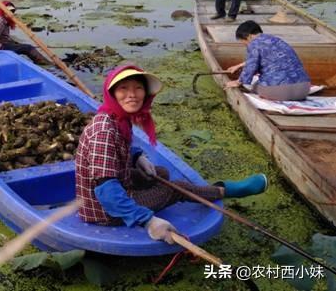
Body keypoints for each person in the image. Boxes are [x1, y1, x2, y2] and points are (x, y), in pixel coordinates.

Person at [75, 65, 268, 244]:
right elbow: (106, 190)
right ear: (112, 93)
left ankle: (170, 190)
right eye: (123, 88)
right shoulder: (103, 131)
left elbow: (120, 147)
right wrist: (148, 221)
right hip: (105, 210)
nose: (132, 95)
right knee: (174, 188)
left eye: (138, 88)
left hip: (117, 181)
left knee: (161, 173)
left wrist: (136, 157)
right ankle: (223, 190)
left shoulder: (117, 118)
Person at [225, 21, 310, 100]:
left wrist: (239, 81)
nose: (246, 45)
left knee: (254, 86)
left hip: (281, 91)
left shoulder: (253, 44)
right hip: (304, 89)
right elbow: (270, 58)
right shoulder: (276, 40)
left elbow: (251, 67)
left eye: (244, 43)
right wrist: (239, 65)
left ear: (249, 36)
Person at [0, 0, 50, 65]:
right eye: (9, 11)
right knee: (28, 48)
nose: (11, 13)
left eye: (12, 11)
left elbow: (4, 36)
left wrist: (13, 42)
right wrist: (2, 49)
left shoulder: (5, 20)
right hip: (1, 47)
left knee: (22, 45)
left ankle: (44, 63)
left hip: (6, 43)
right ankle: (46, 64)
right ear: (3, 11)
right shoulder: (0, 21)